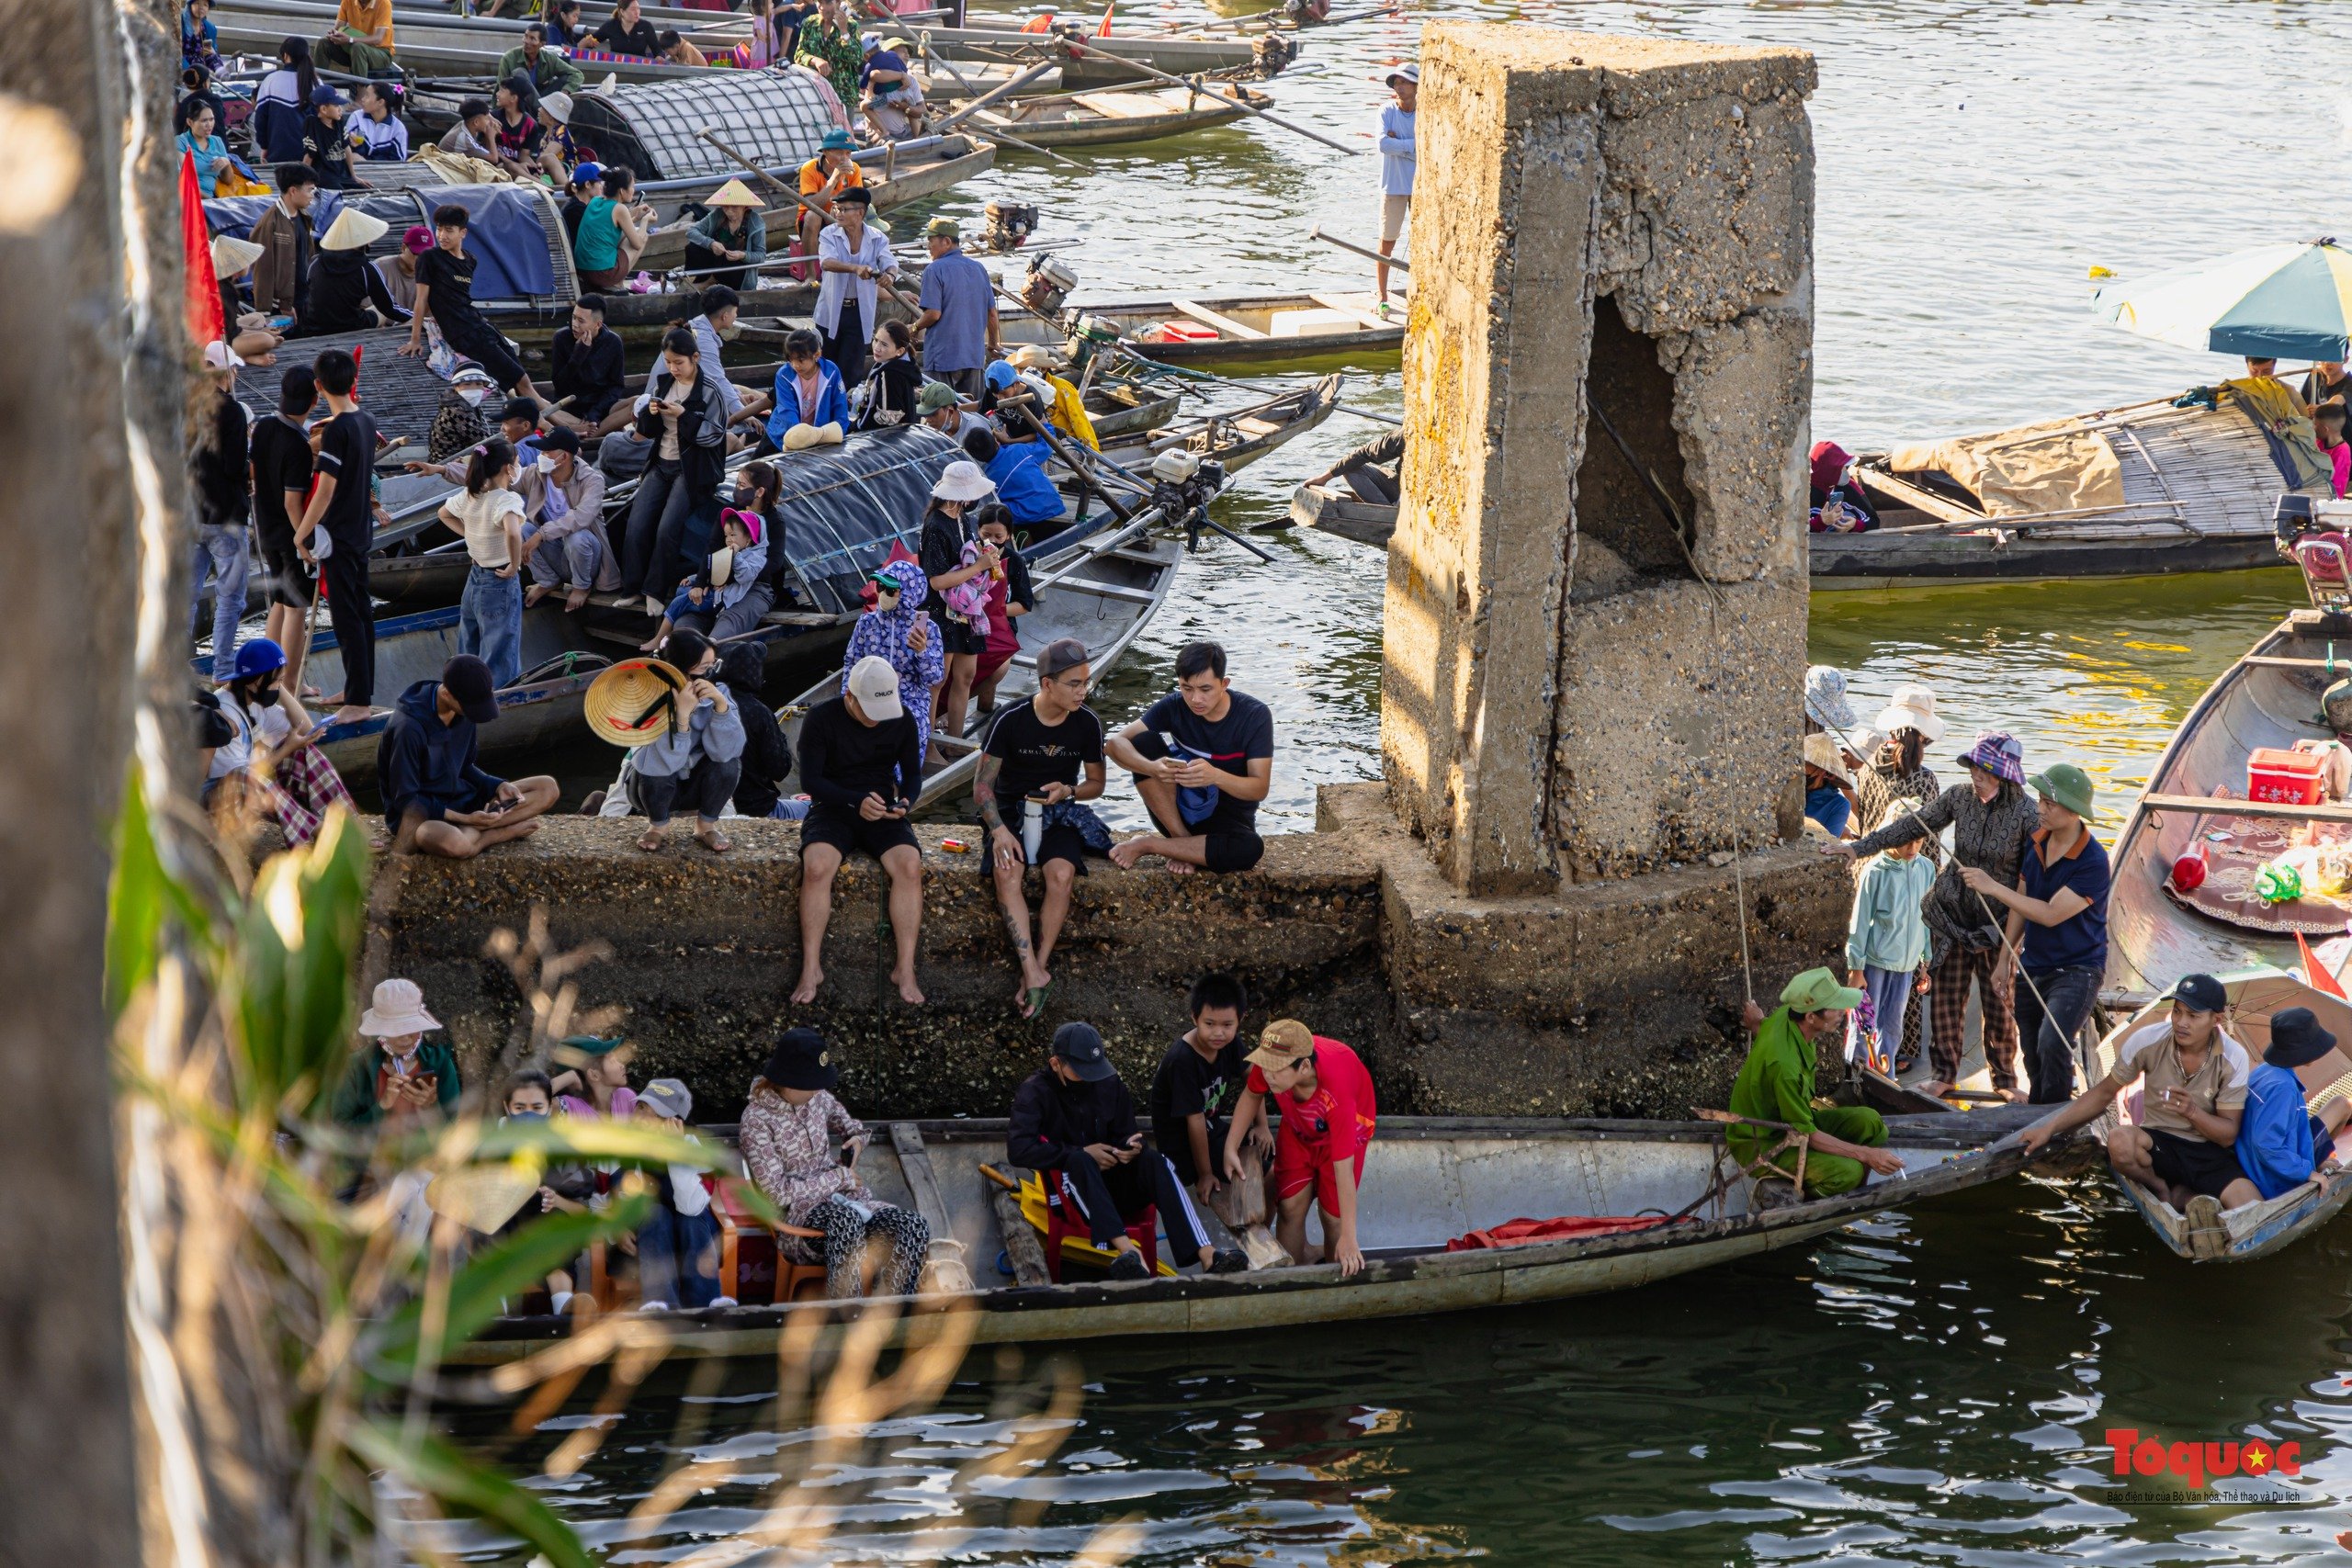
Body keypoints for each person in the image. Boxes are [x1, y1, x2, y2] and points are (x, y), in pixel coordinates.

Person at [1830, 730, 2040, 1101]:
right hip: (1953, 913)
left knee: (1998, 1000)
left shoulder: (2026, 813)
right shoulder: (1960, 797)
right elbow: (1913, 824)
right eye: (1974, 765)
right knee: (1946, 997)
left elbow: (2032, 880)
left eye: (1985, 769)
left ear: (2003, 775)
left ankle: (2005, 1081)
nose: (1976, 773)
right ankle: (1944, 1073)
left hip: (1998, 921)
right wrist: (1858, 848)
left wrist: (2014, 944)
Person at [2018, 974, 2252, 1239]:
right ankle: (2160, 1188)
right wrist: (2049, 1129)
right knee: (2118, 1139)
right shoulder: (2148, 1040)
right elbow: (2103, 1094)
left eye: (2193, 1016)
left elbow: (2228, 1134)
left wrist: (2192, 1112)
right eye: (2177, 1012)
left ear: (2216, 1020)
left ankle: (2185, 1197)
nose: (2181, 1022)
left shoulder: (2234, 1058)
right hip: (2159, 1144)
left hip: (2207, 1150)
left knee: (2251, 1206)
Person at [1009, 1022, 1245, 1280]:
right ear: (1056, 1064)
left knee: (1155, 1160)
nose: (1090, 1077)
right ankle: (1130, 1255)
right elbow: (1019, 1149)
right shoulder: (1035, 1091)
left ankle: (1207, 1254)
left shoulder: (1108, 1082)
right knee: (1080, 1160)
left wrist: (1132, 1148)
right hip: (1071, 1193)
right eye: (1081, 1071)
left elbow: (1127, 1132)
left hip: (1117, 1184)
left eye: (1094, 1070)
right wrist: (1082, 1152)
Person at [739, 1028, 933, 1298]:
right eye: (812, 1082)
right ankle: (845, 1316)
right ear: (789, 1080)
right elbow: (777, 1193)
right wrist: (839, 1178)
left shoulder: (818, 1099)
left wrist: (856, 1139)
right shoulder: (756, 1120)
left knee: (912, 1224)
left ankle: (897, 1314)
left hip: (848, 1202)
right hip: (798, 1220)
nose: (820, 1088)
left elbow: (851, 1126)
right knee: (846, 1221)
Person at [1959, 763, 2110, 1106]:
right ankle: (2041, 1110)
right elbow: (2023, 903)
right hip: (2035, 962)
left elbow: (2050, 914)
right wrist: (2005, 958)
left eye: (2049, 804)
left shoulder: (2093, 860)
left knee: (2053, 1040)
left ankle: (2055, 1117)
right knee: (2031, 1047)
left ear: (2073, 813)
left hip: (2077, 967)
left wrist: (1993, 886)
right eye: (2040, 801)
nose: (2040, 809)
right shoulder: (2036, 842)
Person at [974, 637, 1104, 1016]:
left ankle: (1039, 967)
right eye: (1075, 684)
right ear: (1047, 684)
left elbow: (1096, 785)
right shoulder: (1010, 719)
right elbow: (982, 786)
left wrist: (1070, 789)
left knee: (1062, 874)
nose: (1084, 691)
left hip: (1056, 811)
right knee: (1007, 872)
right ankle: (1029, 969)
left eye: (1087, 682)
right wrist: (997, 829)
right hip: (1011, 812)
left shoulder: (1088, 724)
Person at [793, 656, 926, 1006]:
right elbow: (811, 781)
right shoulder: (821, 718)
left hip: (882, 807)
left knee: (910, 866)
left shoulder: (902, 718)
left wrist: (906, 802)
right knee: (817, 867)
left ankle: (905, 967)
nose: (876, 719)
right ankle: (811, 966)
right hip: (833, 805)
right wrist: (853, 800)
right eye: (870, 710)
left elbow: (913, 774)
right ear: (850, 697)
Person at [1220, 1020, 1376, 1275]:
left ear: (1304, 1066)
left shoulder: (1338, 1093)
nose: (1266, 1075)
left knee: (1333, 1218)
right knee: (1290, 1206)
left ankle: (1333, 1279)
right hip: (1298, 1127)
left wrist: (1350, 1236)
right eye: (1265, 1066)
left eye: (1275, 1070)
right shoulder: (1274, 1060)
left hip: (1344, 1134)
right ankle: (1289, 1278)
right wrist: (1230, 1147)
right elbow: (1251, 1094)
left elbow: (1343, 1170)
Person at [1726, 970, 1901, 1198]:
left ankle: (1843, 1164)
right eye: (1835, 1008)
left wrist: (1756, 1021)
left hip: (1793, 1122)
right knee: (1850, 1172)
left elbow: (1763, 1026)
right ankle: (1799, 1199)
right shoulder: (1785, 1067)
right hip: (1764, 1143)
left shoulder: (1786, 1015)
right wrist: (1866, 1155)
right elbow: (1807, 1133)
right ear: (1810, 1017)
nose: (1842, 1013)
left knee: (1872, 1122)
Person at [1105, 640, 1274, 875]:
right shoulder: (1174, 705)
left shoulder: (1254, 716)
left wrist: (1215, 776)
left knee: (1250, 848)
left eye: (1205, 689)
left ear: (1224, 684)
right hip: (1178, 816)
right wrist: (1153, 768)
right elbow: (1114, 745)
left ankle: (1148, 844)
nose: (1195, 699)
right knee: (1144, 742)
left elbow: (1259, 789)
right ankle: (1180, 842)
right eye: (1187, 688)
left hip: (1228, 819)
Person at [378, 654, 561, 857]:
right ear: (447, 694)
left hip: (463, 801)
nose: (473, 713)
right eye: (471, 708)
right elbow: (406, 801)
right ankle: (496, 833)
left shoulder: (464, 709)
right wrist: (466, 820)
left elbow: (465, 767)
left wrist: (498, 785)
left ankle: (477, 829)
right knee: (450, 843)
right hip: (424, 816)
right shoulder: (408, 728)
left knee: (547, 787)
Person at [292, 349, 381, 723]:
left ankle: (358, 702)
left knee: (348, 617)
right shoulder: (365, 419)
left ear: (318, 386)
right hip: (360, 531)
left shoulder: (338, 429)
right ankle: (356, 688)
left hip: (341, 535)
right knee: (361, 613)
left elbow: (325, 490)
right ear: (353, 380)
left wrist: (302, 533)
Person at [201, 638, 356, 846]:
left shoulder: (254, 700)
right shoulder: (225, 712)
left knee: (304, 751)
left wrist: (277, 682)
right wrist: (287, 747)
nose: (277, 687)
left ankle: (349, 821)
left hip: (245, 789)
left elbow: (304, 727)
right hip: (217, 804)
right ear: (253, 682)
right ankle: (319, 830)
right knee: (247, 774)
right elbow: (242, 779)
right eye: (276, 682)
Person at [623, 326, 729, 609]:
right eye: (668, 362)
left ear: (695, 358)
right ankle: (632, 587)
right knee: (636, 523)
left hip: (691, 470)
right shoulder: (663, 386)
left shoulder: (710, 391)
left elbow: (715, 435)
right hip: (660, 463)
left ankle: (655, 592)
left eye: (678, 363)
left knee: (667, 528)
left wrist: (685, 417)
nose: (673, 368)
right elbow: (645, 431)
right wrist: (650, 413)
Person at [403, 204, 542, 401]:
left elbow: (459, 297)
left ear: (463, 233)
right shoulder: (429, 257)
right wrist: (415, 338)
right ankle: (552, 426)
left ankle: (559, 422)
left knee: (522, 378)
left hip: (480, 325)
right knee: (521, 381)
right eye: (439, 229)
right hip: (464, 334)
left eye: (449, 230)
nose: (442, 235)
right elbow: (421, 299)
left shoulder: (470, 260)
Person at [1149, 972, 1261, 1201]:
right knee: (1243, 1176)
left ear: (1240, 1019)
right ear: (1194, 1018)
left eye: (1228, 1024)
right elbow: (1195, 1120)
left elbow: (1255, 1080)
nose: (1219, 1032)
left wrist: (1262, 1126)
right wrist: (1206, 1174)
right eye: (1209, 1024)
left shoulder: (1230, 1043)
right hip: (1181, 1145)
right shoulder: (1182, 1060)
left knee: (1266, 1165)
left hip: (1212, 1128)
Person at [623, 1078, 729, 1311]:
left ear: (674, 1123)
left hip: (693, 1235)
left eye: (655, 1114)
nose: (641, 1118)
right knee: (656, 1213)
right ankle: (662, 1305)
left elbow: (692, 1207)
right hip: (648, 1237)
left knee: (691, 1219)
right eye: (641, 1108)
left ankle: (707, 1305)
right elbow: (604, 1198)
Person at [1844, 803, 1933, 1074]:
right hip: (1874, 961)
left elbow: (1927, 918)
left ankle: (1886, 1072)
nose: (1912, 848)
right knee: (1864, 1023)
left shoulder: (1926, 868)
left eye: (1918, 841)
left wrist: (1926, 960)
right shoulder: (1876, 871)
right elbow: (1859, 923)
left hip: (1906, 966)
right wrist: (1856, 969)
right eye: (1905, 841)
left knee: (1893, 1025)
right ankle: (1855, 1071)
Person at [247, 366, 318, 694]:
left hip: (264, 527)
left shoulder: (263, 426)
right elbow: (293, 503)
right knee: (296, 608)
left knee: (278, 601)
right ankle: (290, 683)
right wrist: (302, 540)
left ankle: (265, 674)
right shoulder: (297, 446)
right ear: (314, 401)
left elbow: (255, 471)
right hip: (288, 532)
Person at [2234, 1007, 2352, 1201]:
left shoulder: (2264, 1070)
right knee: (2342, 1105)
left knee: (2341, 1103)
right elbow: (2267, 1145)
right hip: (2274, 1175)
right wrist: (2307, 1172)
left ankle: (2318, 1160)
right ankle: (2315, 1163)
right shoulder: (2283, 1088)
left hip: (2258, 1158)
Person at [919, 460, 999, 741]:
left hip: (964, 608)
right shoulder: (936, 526)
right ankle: (927, 744)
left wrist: (983, 555)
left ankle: (955, 741)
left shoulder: (961, 516)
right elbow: (936, 581)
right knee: (936, 681)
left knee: (965, 676)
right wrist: (978, 567)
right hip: (939, 611)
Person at [439, 438, 528, 687]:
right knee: (500, 646)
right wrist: (514, 563)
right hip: (499, 580)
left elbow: (443, 514)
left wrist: (471, 535)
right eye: (517, 462)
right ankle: (498, 696)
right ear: (507, 468)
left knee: (470, 641)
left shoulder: (471, 494)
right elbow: (512, 532)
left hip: (475, 577)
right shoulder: (506, 499)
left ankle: (462, 689)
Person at [842, 558, 944, 760]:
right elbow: (852, 662)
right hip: (868, 694)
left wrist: (921, 652)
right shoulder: (866, 623)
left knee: (908, 730)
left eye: (890, 590)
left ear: (907, 593)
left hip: (909, 699)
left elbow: (934, 679)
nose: (882, 594)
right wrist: (847, 695)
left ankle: (896, 782)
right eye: (880, 587)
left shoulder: (928, 629)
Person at [187, 356, 250, 685]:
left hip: (190, 513)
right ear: (229, 372)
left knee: (186, 594)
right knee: (230, 597)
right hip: (225, 516)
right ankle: (223, 668)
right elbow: (235, 465)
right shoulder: (233, 410)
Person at [331, 979, 461, 1127]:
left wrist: (429, 1106)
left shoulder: (440, 1063)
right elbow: (340, 1131)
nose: (405, 1037)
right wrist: (382, 1106)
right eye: (396, 1029)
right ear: (380, 1031)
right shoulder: (355, 1066)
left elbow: (453, 1134)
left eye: (411, 1027)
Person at [814, 186, 896, 387]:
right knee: (825, 366)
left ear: (860, 212)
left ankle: (846, 412)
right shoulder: (828, 234)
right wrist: (855, 268)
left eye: (843, 209)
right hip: (831, 309)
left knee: (851, 370)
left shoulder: (877, 238)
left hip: (859, 311)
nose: (838, 213)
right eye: (837, 209)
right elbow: (827, 262)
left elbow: (890, 262)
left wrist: (890, 276)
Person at [652, 506, 771, 645]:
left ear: (749, 539)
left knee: (679, 601)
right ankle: (673, 636)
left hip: (722, 601)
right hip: (716, 593)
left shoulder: (757, 558)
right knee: (681, 590)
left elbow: (745, 575)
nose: (728, 539)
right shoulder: (728, 552)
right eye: (726, 535)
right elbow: (715, 571)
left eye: (733, 535)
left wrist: (736, 556)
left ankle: (660, 637)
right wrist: (694, 579)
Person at [916, 217, 998, 397]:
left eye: (931, 241)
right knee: (972, 412)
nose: (928, 246)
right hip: (973, 356)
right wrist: (993, 342)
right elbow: (991, 313)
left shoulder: (934, 269)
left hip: (943, 356)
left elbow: (933, 314)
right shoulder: (979, 268)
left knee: (938, 408)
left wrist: (914, 327)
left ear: (946, 242)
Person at [300, 207, 409, 335]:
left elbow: (307, 293)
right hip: (350, 327)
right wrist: (418, 318)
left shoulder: (315, 262)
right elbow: (389, 308)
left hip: (311, 326)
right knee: (379, 311)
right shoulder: (367, 269)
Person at [1854, 683, 1940, 836]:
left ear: (1891, 728)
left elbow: (1863, 821)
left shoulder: (1867, 767)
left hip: (1867, 857)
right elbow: (1928, 839)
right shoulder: (1924, 779)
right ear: (1925, 734)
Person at [970, 503, 1032, 711]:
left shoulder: (1014, 561)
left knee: (998, 667)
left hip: (1000, 624)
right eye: (986, 534)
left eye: (999, 536)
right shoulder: (968, 554)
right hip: (966, 620)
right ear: (978, 530)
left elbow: (1024, 604)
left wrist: (994, 610)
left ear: (1008, 535)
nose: (992, 541)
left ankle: (984, 704)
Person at [545, 293, 633, 437]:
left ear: (597, 324)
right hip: (568, 411)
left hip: (601, 411)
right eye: (573, 317)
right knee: (535, 403)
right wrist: (578, 355)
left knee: (639, 402)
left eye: (581, 321)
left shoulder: (613, 342)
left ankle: (588, 432)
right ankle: (588, 432)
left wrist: (595, 413)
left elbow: (616, 386)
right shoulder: (561, 338)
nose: (574, 324)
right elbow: (560, 386)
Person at [248, 164, 319, 317]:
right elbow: (262, 269)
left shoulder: (303, 217)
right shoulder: (270, 223)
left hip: (302, 297)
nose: (312, 195)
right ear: (293, 191)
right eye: (310, 190)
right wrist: (281, 305)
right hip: (281, 307)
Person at [962, 423, 1062, 529]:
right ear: (996, 441)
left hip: (1025, 519)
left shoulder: (988, 479)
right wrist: (1046, 426)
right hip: (1053, 506)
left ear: (976, 458)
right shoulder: (1020, 450)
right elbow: (1047, 447)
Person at [1374, 62, 1415, 315]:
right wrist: (1412, 146)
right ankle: (1382, 295)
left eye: (1404, 83)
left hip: (1420, 186)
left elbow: (1428, 144)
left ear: (1416, 86)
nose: (1399, 88)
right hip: (1394, 185)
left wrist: (1399, 142)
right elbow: (1382, 144)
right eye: (1396, 83)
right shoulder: (1386, 110)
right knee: (1387, 243)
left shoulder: (1426, 112)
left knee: (1423, 243)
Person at [571, 164, 652, 292]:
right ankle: (617, 284)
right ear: (621, 191)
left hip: (583, 270)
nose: (633, 190)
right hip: (601, 274)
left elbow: (610, 224)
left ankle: (615, 282)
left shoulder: (595, 201)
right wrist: (645, 220)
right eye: (632, 186)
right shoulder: (620, 209)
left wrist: (636, 216)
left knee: (628, 234)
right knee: (643, 237)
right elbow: (637, 243)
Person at [765, 328, 851, 446]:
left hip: (819, 434)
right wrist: (799, 437)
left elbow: (840, 407)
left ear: (817, 355)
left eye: (801, 360)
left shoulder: (831, 372)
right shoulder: (784, 374)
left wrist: (837, 432)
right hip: (784, 435)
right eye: (791, 359)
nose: (795, 365)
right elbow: (787, 410)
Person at [795, 129, 865, 265]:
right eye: (839, 153)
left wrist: (840, 208)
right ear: (825, 152)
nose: (844, 158)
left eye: (848, 153)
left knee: (856, 215)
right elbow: (810, 204)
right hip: (812, 222)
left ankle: (855, 264)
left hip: (840, 215)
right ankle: (811, 274)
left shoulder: (854, 169)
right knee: (813, 216)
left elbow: (858, 201)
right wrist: (834, 179)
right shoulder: (809, 168)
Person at [685, 179, 767, 291]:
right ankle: (696, 279)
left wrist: (742, 255)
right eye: (725, 207)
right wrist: (711, 243)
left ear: (745, 206)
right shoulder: (717, 215)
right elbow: (691, 232)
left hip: (738, 270)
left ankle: (712, 283)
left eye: (734, 207)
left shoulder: (756, 223)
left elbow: (761, 256)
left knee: (734, 258)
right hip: (716, 261)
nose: (729, 212)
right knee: (692, 247)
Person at [251, 38, 318, 164]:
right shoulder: (316, 82)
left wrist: (264, 147)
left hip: (278, 155)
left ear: (286, 56)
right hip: (311, 158)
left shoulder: (271, 80)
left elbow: (260, 120)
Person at [1306, 428, 1403, 505]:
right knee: (1350, 467)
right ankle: (1385, 511)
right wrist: (1323, 478)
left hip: (1412, 498)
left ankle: (1391, 515)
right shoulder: (1405, 435)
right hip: (1399, 487)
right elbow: (1363, 453)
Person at [854, 319, 922, 430]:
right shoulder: (902, 366)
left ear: (899, 351)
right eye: (876, 340)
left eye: (884, 344)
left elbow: (889, 417)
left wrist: (856, 425)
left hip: (886, 439)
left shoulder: (889, 374)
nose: (877, 347)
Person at [793, 0, 862, 108]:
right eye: (820, 3)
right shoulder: (810, 23)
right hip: (815, 95)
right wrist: (815, 60)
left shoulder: (851, 26)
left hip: (842, 95)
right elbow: (799, 54)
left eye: (828, 3)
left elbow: (856, 58)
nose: (823, 7)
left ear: (838, 3)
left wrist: (844, 31)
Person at [549, 1032, 637, 1118]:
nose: (622, 1066)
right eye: (612, 1061)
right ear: (594, 1075)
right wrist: (570, 1076)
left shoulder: (626, 1098)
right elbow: (537, 1104)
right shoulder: (569, 1108)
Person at [489, 73, 548, 181]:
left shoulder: (530, 125)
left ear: (513, 98)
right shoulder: (493, 119)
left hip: (518, 169)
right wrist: (514, 164)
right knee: (512, 167)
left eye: (502, 90)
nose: (497, 94)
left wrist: (534, 166)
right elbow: (487, 150)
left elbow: (523, 155)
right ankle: (546, 188)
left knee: (534, 168)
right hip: (494, 166)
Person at [300, 83, 358, 191]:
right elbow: (309, 155)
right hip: (324, 175)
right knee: (337, 191)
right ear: (323, 109)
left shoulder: (339, 121)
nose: (340, 109)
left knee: (361, 187)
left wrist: (353, 176)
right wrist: (303, 182)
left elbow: (346, 148)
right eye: (336, 106)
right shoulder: (312, 124)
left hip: (341, 173)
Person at [500, 22, 585, 95]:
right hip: (519, 103)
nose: (526, 41)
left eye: (532, 38)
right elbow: (501, 89)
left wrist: (565, 92)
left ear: (542, 44)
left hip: (541, 101)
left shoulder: (549, 58)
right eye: (525, 36)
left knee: (568, 82)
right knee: (520, 73)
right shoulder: (509, 58)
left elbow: (577, 74)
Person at [1802, 731, 1855, 838]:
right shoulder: (1792, 787)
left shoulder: (1839, 805)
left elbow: (1828, 842)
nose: (1800, 767)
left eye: (1805, 764)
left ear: (1822, 771)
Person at [176, 98, 232, 197]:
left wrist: (226, 163)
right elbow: (185, 182)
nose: (209, 125)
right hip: (189, 200)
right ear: (190, 122)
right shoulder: (181, 142)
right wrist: (213, 202)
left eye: (211, 119)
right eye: (204, 121)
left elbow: (228, 180)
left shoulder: (217, 141)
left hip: (211, 202)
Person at [323, 0, 397, 74]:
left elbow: (378, 38)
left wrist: (350, 39)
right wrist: (334, 35)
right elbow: (338, 28)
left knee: (358, 47)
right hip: (355, 50)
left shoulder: (384, 3)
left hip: (381, 52)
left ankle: (360, 85)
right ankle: (318, 82)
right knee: (324, 42)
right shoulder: (347, 1)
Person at [346, 81, 409, 163]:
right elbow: (344, 148)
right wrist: (355, 146)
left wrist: (366, 162)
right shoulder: (357, 117)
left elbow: (398, 161)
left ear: (380, 102)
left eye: (367, 96)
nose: (362, 99)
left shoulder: (398, 129)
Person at [918, 377, 988, 444]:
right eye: (926, 415)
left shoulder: (975, 431)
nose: (927, 420)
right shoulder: (931, 428)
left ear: (950, 411)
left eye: (933, 414)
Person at [437, 96, 498, 163]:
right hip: (444, 166)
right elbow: (494, 159)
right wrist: (490, 137)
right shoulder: (465, 140)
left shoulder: (465, 124)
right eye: (486, 119)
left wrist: (491, 118)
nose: (489, 122)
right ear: (476, 122)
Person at [592, 0, 661, 56]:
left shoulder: (646, 26)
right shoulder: (610, 25)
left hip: (639, 67)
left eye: (638, 8)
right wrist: (584, 43)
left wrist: (659, 57)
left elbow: (657, 50)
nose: (637, 12)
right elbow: (593, 40)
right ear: (622, 11)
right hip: (616, 66)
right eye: (633, 9)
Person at [2317, 402, 2350, 501]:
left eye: (2315, 424)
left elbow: (2336, 485)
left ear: (2325, 429)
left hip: (2330, 500)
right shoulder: (2318, 442)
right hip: (2317, 491)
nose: (2312, 428)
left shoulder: (2342, 451)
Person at [182, 0, 223, 73]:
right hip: (185, 62)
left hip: (202, 59)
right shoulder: (179, 24)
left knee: (212, 56)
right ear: (189, 6)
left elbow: (214, 48)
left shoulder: (210, 28)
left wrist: (212, 51)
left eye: (205, 5)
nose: (201, 8)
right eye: (197, 3)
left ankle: (219, 71)